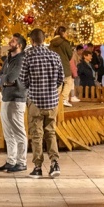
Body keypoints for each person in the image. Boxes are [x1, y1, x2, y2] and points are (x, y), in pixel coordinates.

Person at [21, 28, 64, 178]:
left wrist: (32, 87)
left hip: (36, 101)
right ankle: (54, 163)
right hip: (52, 101)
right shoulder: (55, 56)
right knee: (50, 132)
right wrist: (51, 88)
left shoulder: (28, 56)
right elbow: (61, 78)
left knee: (36, 135)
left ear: (31, 41)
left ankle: (38, 167)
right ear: (44, 39)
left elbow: (23, 79)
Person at [0, 33, 28, 173]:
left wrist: (3, 80)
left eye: (13, 41)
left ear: (19, 45)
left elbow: (11, 77)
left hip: (16, 98)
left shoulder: (21, 60)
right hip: (6, 97)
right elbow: (0, 75)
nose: (10, 42)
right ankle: (11, 160)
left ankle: (21, 162)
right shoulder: (9, 58)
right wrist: (4, 80)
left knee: (18, 131)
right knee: (8, 131)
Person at [49, 25, 75, 108]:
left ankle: (56, 101)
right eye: (66, 32)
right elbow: (70, 55)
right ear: (63, 33)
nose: (66, 34)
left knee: (58, 84)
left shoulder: (51, 44)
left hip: (54, 66)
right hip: (64, 66)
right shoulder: (65, 43)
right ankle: (63, 99)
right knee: (68, 81)